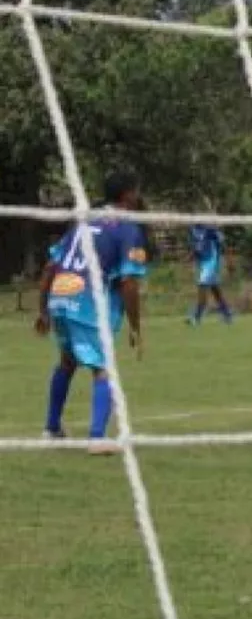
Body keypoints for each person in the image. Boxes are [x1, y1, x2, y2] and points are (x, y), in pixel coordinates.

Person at [35, 172, 147, 454]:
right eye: (136, 191)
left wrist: (43, 310)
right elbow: (128, 282)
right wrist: (135, 325)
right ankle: (97, 437)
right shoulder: (126, 228)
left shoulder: (85, 223)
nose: (139, 197)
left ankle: (51, 429)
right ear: (126, 196)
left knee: (67, 362)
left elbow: (50, 267)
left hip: (60, 297)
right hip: (87, 302)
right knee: (103, 368)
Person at [186, 223, 233, 326]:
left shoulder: (209, 229)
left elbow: (221, 242)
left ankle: (196, 317)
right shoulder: (192, 229)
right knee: (216, 291)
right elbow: (197, 247)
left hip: (211, 261)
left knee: (202, 287)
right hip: (203, 263)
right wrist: (191, 257)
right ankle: (228, 315)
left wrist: (228, 259)